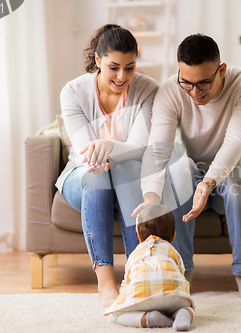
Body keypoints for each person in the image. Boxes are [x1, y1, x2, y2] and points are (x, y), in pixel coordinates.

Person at [133, 34, 241, 299]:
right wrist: (151, 196)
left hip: (233, 176)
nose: (195, 93)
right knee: (177, 168)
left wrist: (208, 183)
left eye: (204, 83)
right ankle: (184, 273)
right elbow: (159, 149)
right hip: (194, 180)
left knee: (237, 172)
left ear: (222, 70)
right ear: (179, 72)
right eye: (187, 83)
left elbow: (236, 141)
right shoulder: (171, 90)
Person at [55, 24, 158, 306]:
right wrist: (106, 155)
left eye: (130, 67)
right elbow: (87, 153)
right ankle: (106, 283)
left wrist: (111, 147)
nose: (122, 76)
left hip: (126, 177)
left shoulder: (148, 90)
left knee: (124, 168)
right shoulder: (73, 92)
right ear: (98, 60)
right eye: (114, 67)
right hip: (82, 176)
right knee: (96, 174)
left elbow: (139, 146)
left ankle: (137, 275)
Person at [106, 204, 194, 331]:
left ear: (138, 234)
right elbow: (180, 275)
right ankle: (183, 313)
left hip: (141, 296)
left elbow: (127, 283)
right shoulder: (173, 251)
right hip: (173, 296)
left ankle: (148, 319)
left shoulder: (135, 254)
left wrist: (123, 301)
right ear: (173, 236)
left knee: (117, 314)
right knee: (186, 306)